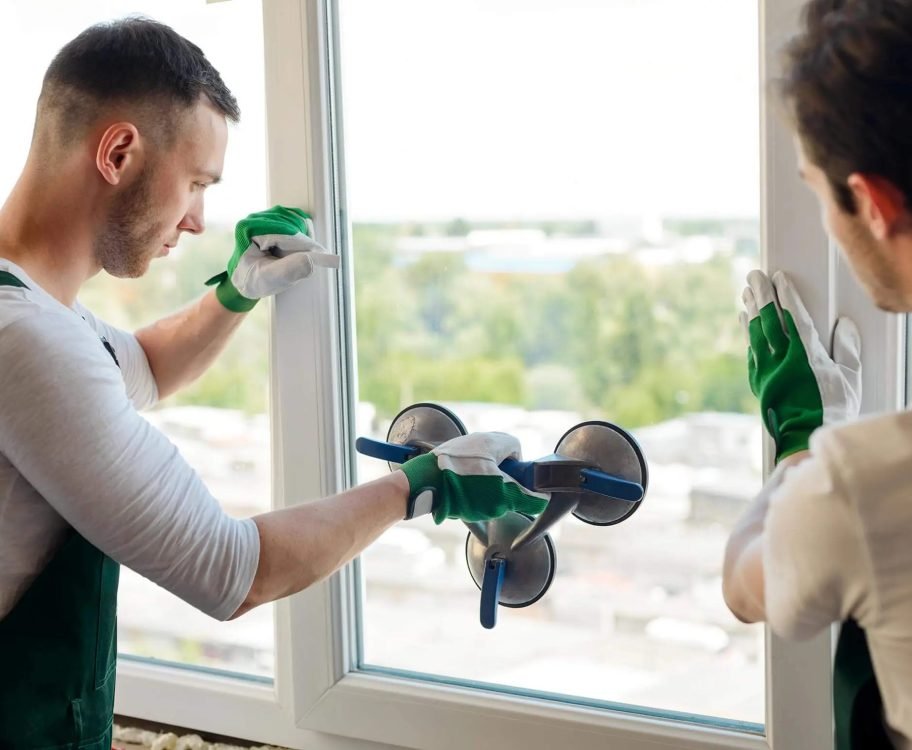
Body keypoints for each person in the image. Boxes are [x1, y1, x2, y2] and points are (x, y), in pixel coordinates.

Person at [0, 18, 547, 748]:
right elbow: (234, 570)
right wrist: (425, 484)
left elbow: (141, 367)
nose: (197, 220)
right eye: (195, 183)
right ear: (119, 151)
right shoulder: (23, 337)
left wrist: (236, 289)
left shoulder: (30, 308)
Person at [722, 0, 912, 747]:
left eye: (815, 190)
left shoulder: (875, 484)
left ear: (873, 203)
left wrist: (806, 438)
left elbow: (745, 584)